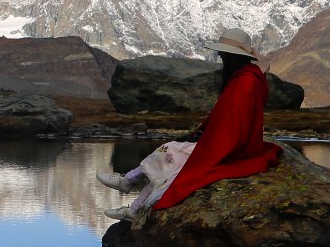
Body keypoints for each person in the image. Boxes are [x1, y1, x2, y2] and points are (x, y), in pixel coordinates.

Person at [100, 28, 283, 218]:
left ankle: (131, 196)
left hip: (231, 150)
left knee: (173, 161)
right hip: (228, 144)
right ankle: (130, 191)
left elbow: (233, 126)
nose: (220, 55)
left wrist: (210, 146)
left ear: (234, 56)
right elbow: (229, 119)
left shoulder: (244, 82)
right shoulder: (248, 77)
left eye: (224, 53)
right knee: (171, 153)